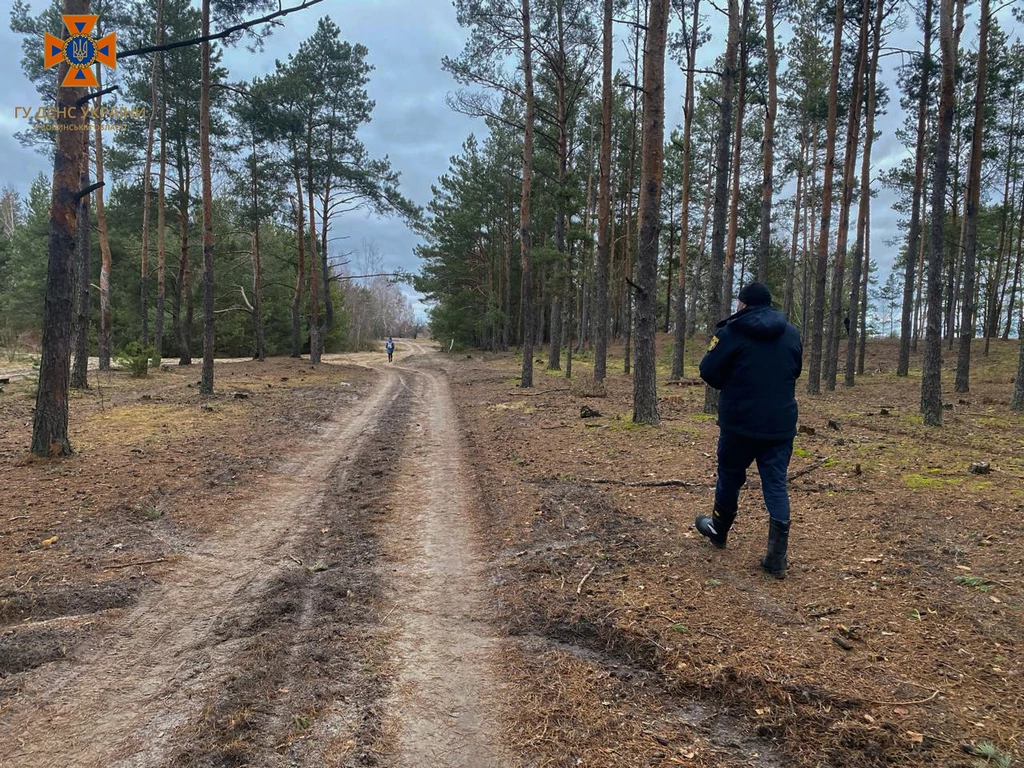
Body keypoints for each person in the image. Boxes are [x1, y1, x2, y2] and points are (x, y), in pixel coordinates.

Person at [695, 282, 803, 578]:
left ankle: (719, 530)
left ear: (742, 303)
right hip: (780, 425)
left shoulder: (731, 332)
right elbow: (795, 369)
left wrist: (733, 385)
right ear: (769, 304)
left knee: (730, 476)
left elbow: (708, 370)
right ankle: (777, 558)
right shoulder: (791, 332)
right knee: (776, 484)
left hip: (739, 424)